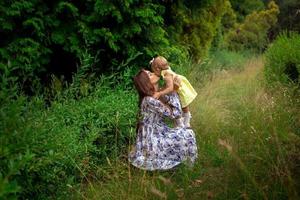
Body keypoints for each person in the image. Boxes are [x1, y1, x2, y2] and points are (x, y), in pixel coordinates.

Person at [128, 69, 197, 171]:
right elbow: (176, 114)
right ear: (147, 82)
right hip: (151, 143)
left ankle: (185, 166)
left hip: (158, 133)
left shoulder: (154, 95)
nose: (154, 73)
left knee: (184, 132)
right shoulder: (149, 100)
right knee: (187, 134)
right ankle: (188, 168)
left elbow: (169, 105)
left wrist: (169, 89)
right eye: (150, 74)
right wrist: (174, 90)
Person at [150, 56, 197, 128]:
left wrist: (159, 93)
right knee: (182, 104)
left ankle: (186, 121)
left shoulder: (167, 74)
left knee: (183, 104)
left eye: (154, 71)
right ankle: (182, 120)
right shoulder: (166, 70)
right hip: (179, 85)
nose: (155, 74)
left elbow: (170, 88)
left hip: (180, 87)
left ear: (157, 68)